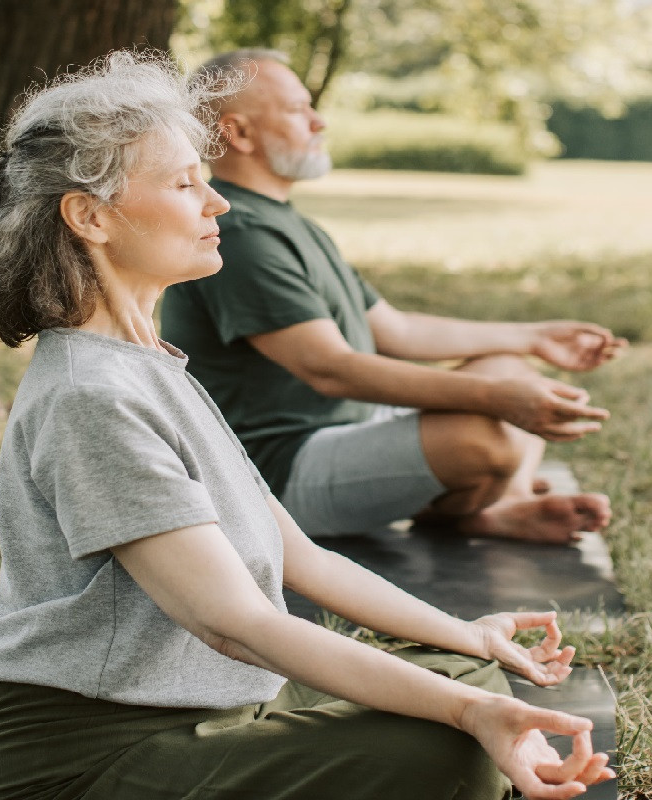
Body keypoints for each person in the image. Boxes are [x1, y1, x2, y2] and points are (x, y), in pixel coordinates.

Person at [0, 51, 613, 800]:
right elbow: (234, 622)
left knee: (473, 677)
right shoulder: (90, 397)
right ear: (90, 217)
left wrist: (468, 637)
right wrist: (471, 713)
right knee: (455, 749)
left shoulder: (151, 366)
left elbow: (304, 562)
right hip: (91, 755)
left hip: (221, 703)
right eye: (185, 184)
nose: (217, 203)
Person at [161, 50, 628, 543]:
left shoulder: (286, 222)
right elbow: (329, 369)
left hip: (350, 429)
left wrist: (534, 337)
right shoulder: (243, 234)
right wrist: (496, 399)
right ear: (240, 133)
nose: (320, 121)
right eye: (300, 109)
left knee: (510, 367)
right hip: (277, 471)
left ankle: (498, 506)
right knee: (487, 436)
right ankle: (481, 503)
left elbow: (398, 330)